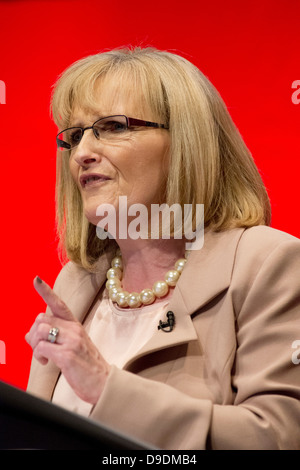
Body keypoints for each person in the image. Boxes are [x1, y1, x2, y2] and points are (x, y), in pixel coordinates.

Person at [26, 46, 300, 450]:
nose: (82, 153)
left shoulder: (266, 263)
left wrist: (105, 387)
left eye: (113, 127)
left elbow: (278, 437)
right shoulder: (77, 283)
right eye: (75, 135)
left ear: (187, 141)